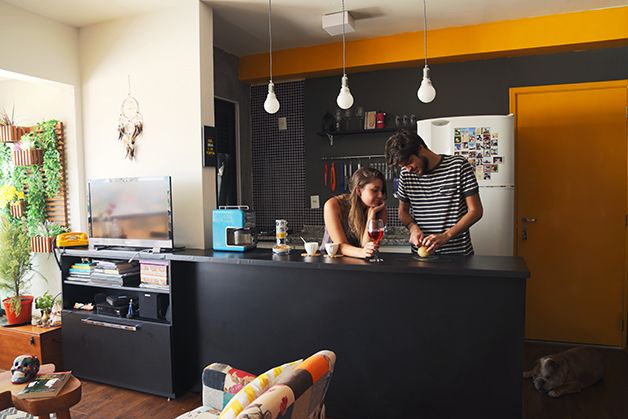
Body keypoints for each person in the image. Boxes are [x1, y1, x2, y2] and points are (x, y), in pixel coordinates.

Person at [385, 129, 483, 255]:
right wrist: (412, 227)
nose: (408, 169)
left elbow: (476, 211)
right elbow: (402, 212)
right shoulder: (406, 176)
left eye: (409, 162)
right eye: (403, 166)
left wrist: (446, 236)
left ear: (420, 149)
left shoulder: (458, 166)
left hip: (458, 255)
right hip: (421, 256)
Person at [322, 167, 387, 258]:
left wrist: (371, 216)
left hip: (358, 262)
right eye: (375, 190)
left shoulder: (378, 209)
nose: (380, 195)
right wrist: (362, 252)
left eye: (381, 191)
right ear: (359, 191)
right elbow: (340, 246)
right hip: (330, 261)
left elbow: (367, 248)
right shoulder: (333, 205)